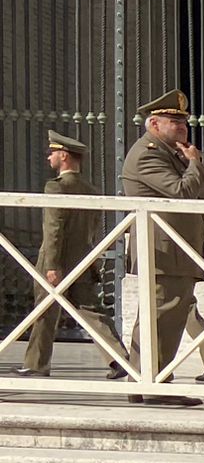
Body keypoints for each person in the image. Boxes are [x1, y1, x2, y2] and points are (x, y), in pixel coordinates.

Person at [120, 89, 204, 401]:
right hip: (164, 251)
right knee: (161, 320)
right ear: (154, 124)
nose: (182, 127)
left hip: (177, 253)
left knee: (163, 320)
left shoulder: (172, 154)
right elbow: (182, 193)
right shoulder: (148, 154)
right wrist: (195, 163)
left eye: (183, 122)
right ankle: (153, 386)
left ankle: (143, 383)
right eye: (174, 122)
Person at [17, 130, 125, 378]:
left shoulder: (56, 187)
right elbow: (93, 229)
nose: (48, 157)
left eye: (52, 152)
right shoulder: (91, 189)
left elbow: (54, 229)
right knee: (91, 310)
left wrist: (52, 264)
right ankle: (119, 359)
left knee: (45, 310)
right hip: (82, 259)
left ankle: (36, 364)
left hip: (57, 260)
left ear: (63, 156)